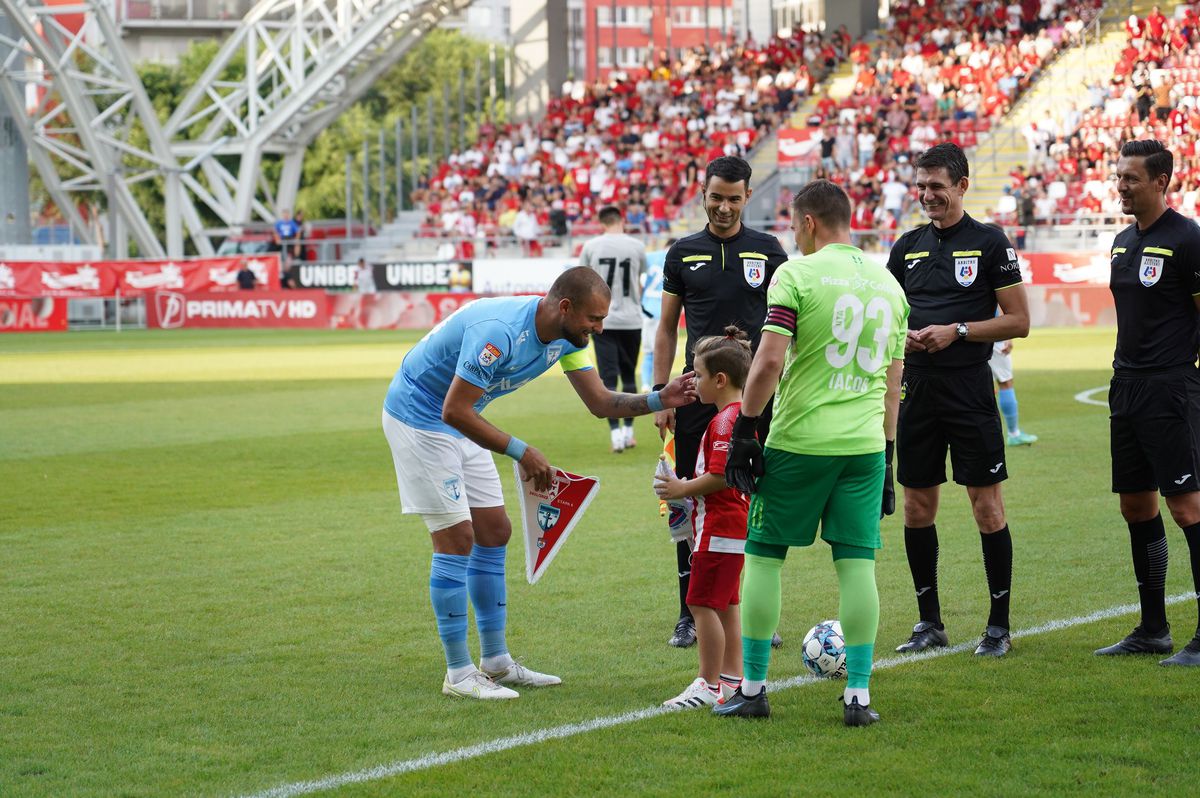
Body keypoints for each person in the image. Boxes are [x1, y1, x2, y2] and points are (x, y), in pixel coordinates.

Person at [382, 266, 698, 699]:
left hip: (461, 418)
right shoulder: (499, 333)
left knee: (495, 531)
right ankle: (458, 673)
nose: (600, 328)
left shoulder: (568, 338)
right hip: (419, 418)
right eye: (594, 318)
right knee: (456, 538)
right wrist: (521, 450)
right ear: (565, 307)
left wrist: (661, 398)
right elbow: (452, 410)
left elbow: (601, 402)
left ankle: (495, 662)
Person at [715, 179, 908, 725]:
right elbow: (894, 384)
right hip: (865, 447)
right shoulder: (890, 285)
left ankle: (753, 689)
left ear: (808, 222)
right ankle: (858, 697)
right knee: (857, 566)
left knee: (763, 555)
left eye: (794, 225)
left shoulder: (796, 274)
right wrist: (888, 456)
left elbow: (769, 361)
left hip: (800, 442)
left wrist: (746, 429)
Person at [886, 143, 1030, 659]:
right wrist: (900, 337)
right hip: (917, 390)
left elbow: (1019, 321)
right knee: (916, 507)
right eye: (921, 187)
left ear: (962, 186)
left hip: (969, 389)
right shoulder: (906, 246)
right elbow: (887, 316)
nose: (927, 196)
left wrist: (959, 331)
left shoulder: (990, 242)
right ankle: (929, 622)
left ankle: (998, 627)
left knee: (986, 507)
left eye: (937, 187)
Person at [652, 155, 789, 649]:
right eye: (716, 197)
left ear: (748, 196)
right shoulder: (682, 252)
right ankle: (690, 612)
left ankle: (753, 611)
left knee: (755, 501)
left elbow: (787, 324)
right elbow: (666, 328)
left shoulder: (769, 251)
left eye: (733, 198)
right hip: (697, 395)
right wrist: (660, 394)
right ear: (703, 194)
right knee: (689, 499)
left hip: (756, 399)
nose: (724, 207)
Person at [1095, 139, 1200, 666]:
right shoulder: (1121, 241)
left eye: (1131, 178)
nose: (1121, 186)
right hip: (1127, 387)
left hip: (1171, 387)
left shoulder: (1188, 239)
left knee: (1187, 507)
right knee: (1136, 505)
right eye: (1119, 176)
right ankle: (1153, 629)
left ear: (1161, 181)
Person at [654, 327, 753, 709]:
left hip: (720, 525)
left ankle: (708, 684)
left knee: (700, 603)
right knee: (726, 604)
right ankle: (732, 678)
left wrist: (681, 488)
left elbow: (721, 476)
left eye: (697, 374)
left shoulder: (725, 421)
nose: (693, 381)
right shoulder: (736, 417)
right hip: (730, 526)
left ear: (720, 379)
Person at [578, 206, 648, 453]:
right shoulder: (637, 246)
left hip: (602, 321)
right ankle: (629, 432)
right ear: (622, 220)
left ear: (601, 222)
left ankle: (615, 435)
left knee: (608, 378)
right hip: (631, 319)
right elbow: (639, 279)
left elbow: (583, 281)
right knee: (629, 376)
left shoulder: (591, 246)